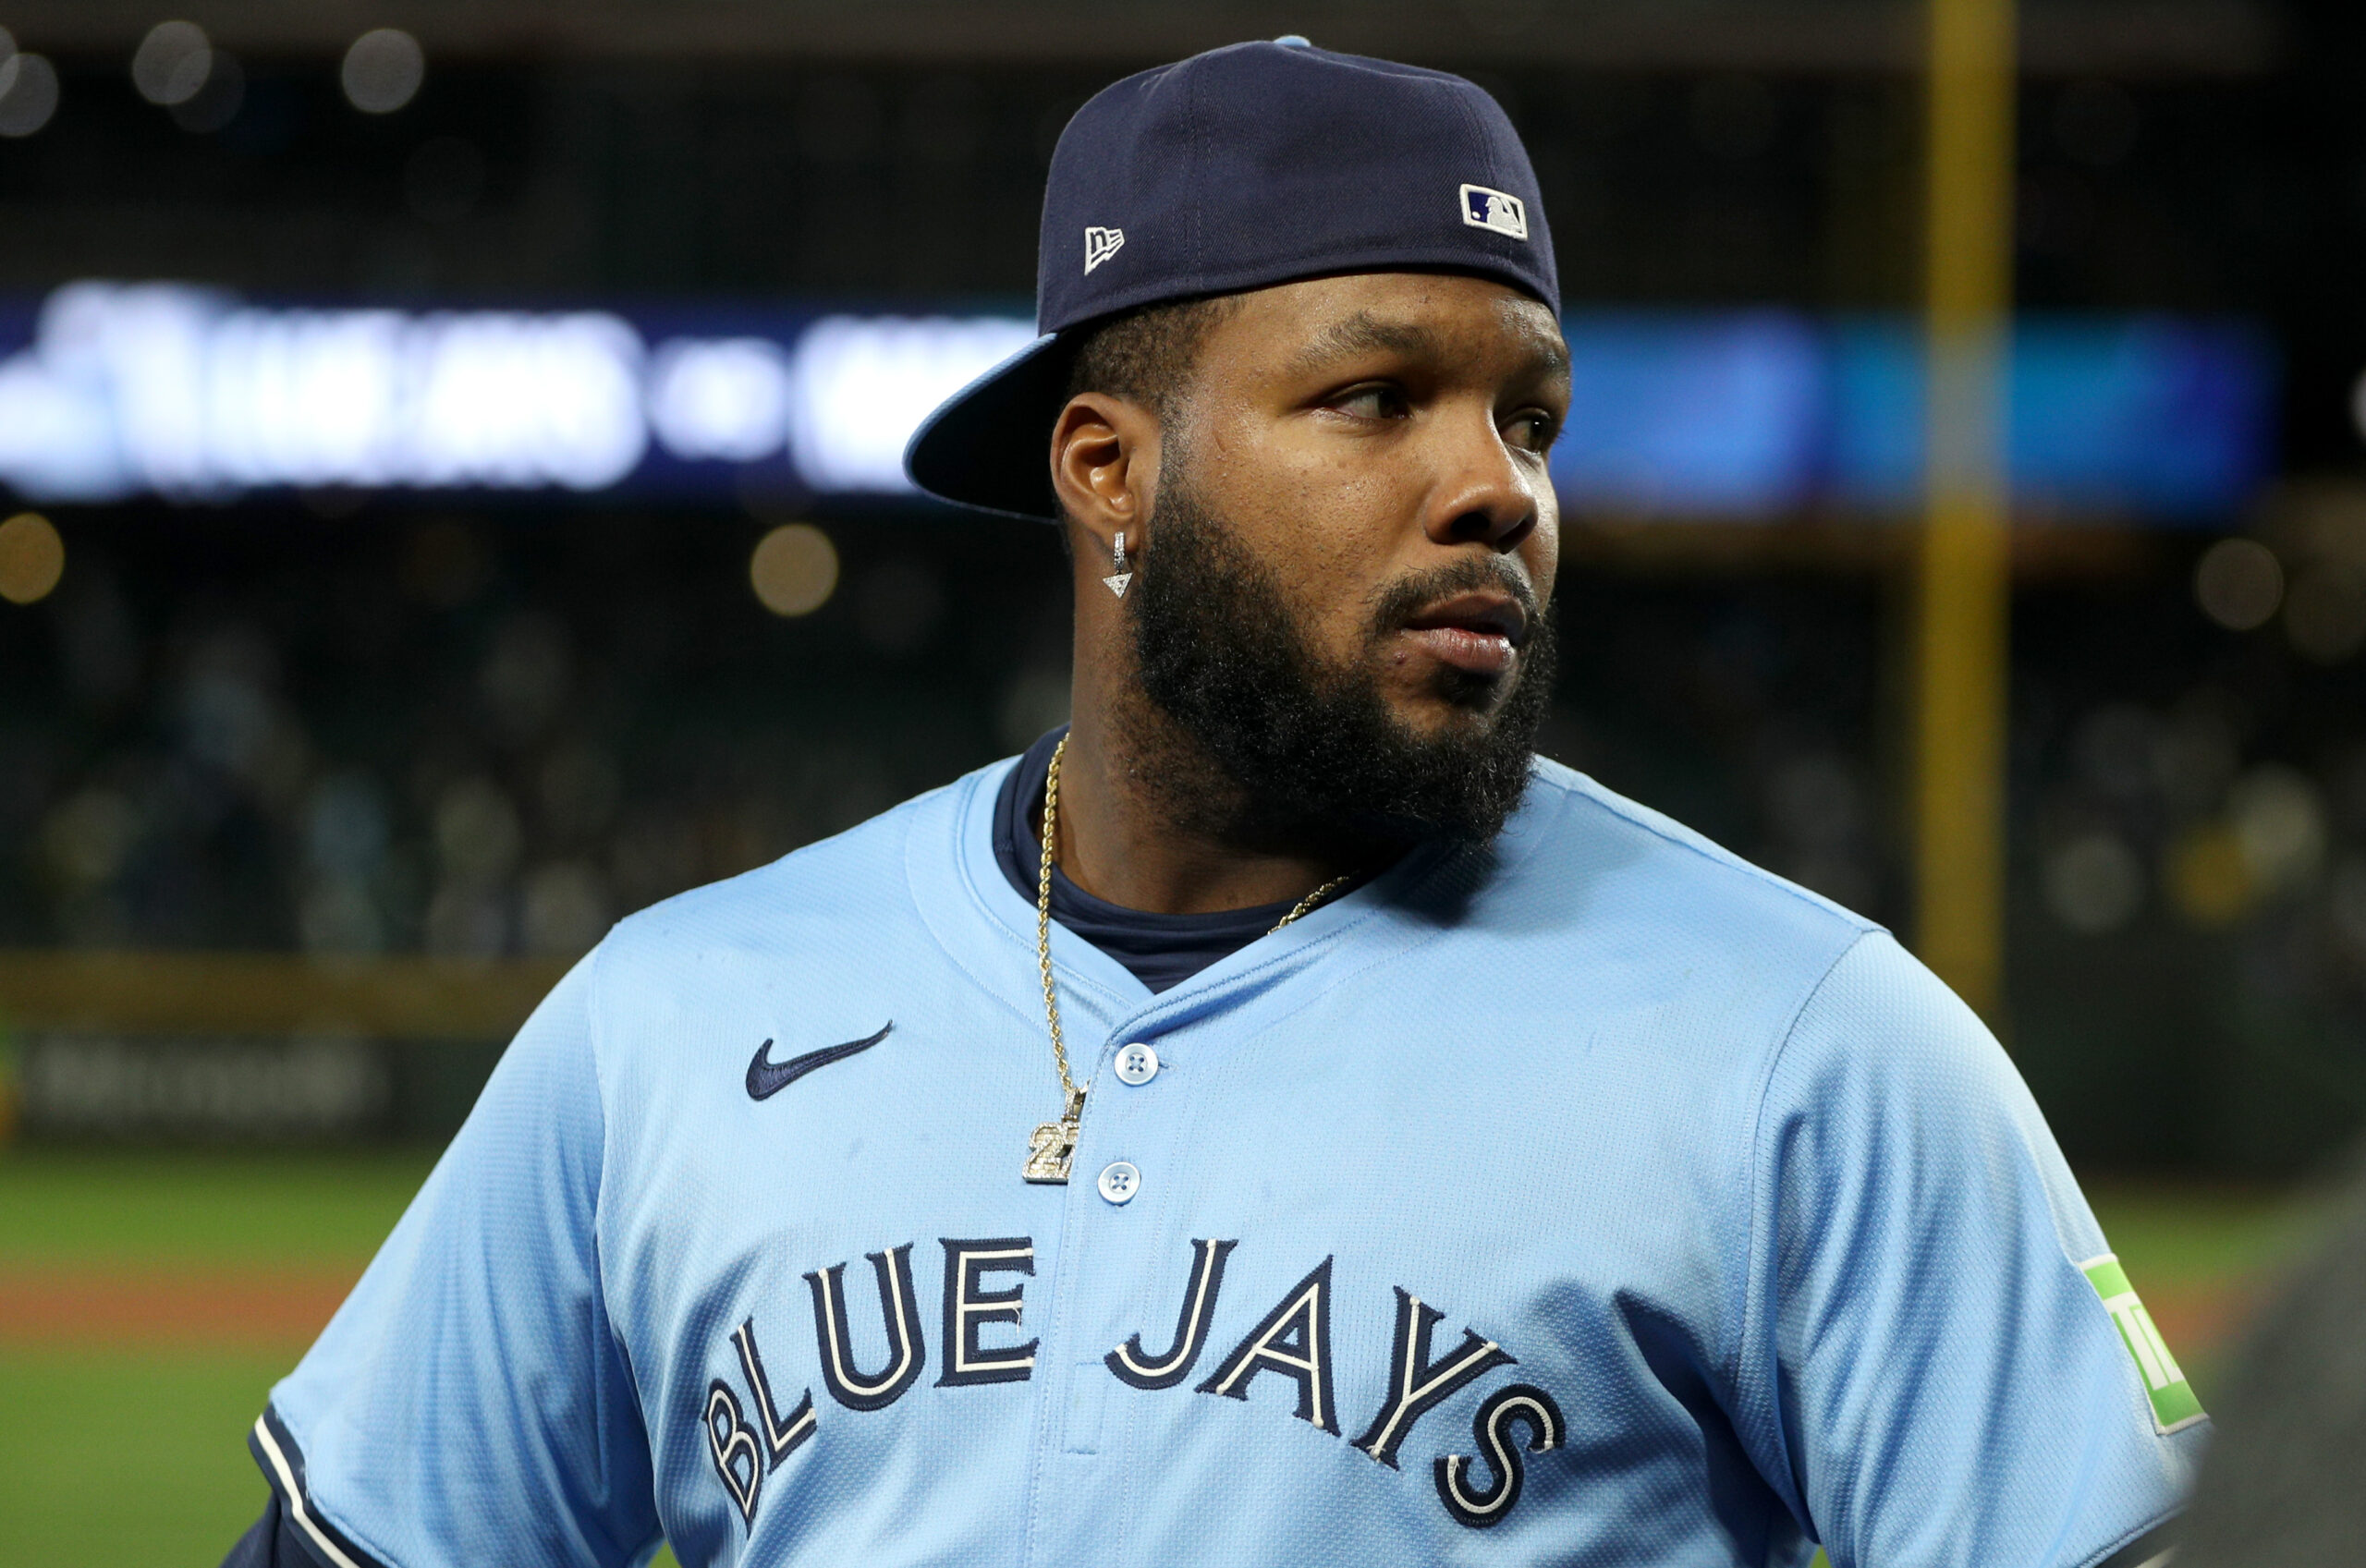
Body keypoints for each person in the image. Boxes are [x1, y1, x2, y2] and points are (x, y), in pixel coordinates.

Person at [224, 38, 2201, 1568]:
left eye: (1527, 414)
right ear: (1108, 467)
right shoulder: (667, 1019)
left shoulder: (1807, 1047)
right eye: (1374, 397)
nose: (1498, 486)